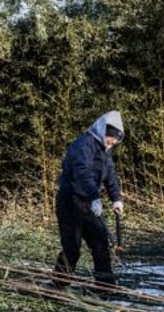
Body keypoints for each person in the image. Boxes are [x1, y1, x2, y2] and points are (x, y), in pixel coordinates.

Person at [53, 110, 125, 289]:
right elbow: (82, 173)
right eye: (112, 137)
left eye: (117, 140)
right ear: (103, 130)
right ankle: (58, 285)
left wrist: (116, 198)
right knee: (72, 247)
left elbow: (110, 175)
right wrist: (95, 197)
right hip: (70, 201)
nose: (113, 142)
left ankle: (105, 287)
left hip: (88, 202)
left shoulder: (104, 150)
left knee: (100, 243)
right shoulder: (83, 144)